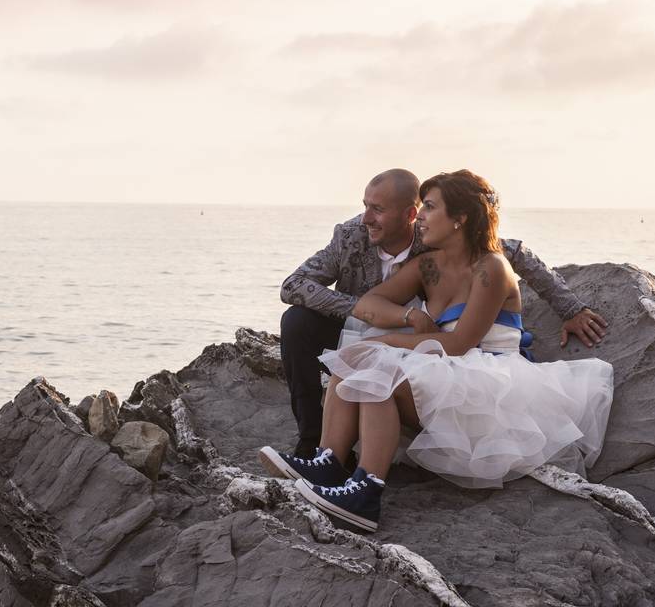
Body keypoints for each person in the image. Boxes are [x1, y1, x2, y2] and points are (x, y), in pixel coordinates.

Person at [262, 170, 614, 532]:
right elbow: (365, 300)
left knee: (375, 366)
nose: (422, 216)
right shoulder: (421, 261)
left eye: (429, 208)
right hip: (441, 362)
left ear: (460, 219)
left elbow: (461, 342)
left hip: (484, 376)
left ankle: (366, 491)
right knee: (356, 356)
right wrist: (403, 318)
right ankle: (328, 460)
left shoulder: (490, 266)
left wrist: (571, 309)